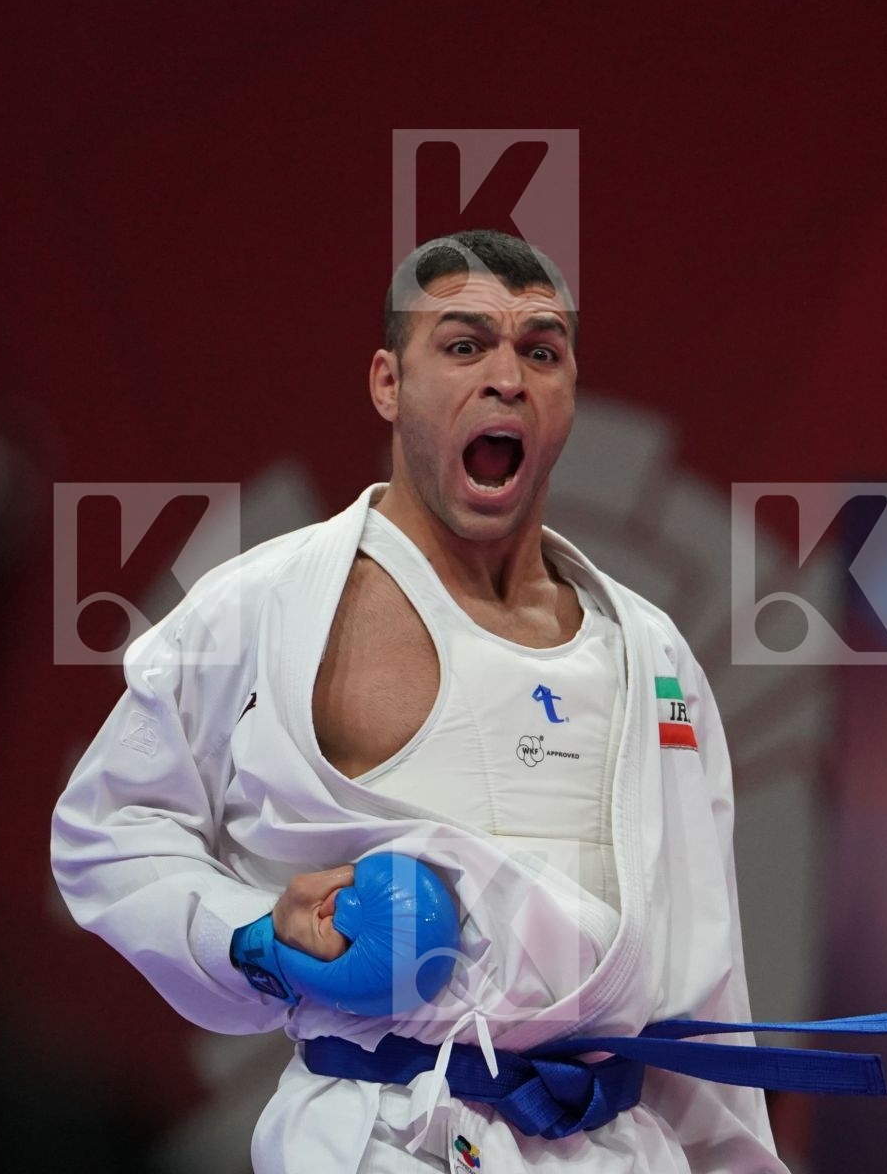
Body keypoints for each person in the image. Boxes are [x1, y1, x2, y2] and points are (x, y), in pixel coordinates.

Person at [52, 229, 785, 1172]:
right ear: (388, 383)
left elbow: (703, 979)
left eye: (541, 350)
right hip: (382, 1137)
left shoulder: (650, 655)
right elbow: (109, 827)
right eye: (466, 344)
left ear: (568, 396)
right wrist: (253, 938)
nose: (507, 378)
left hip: (612, 1148)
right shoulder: (267, 606)